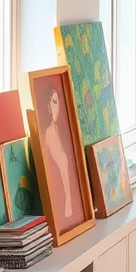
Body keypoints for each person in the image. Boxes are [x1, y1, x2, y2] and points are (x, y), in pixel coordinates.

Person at [42, 84, 75, 221]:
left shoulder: (58, 130)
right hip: (58, 198)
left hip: (69, 201)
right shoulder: (48, 133)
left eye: (58, 102)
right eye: (54, 102)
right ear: (48, 106)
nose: (58, 107)